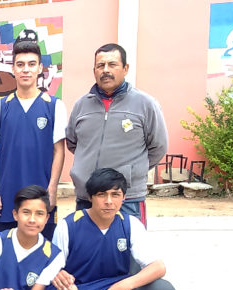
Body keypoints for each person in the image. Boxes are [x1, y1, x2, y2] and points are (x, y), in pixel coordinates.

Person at [66, 43, 168, 227]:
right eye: (100, 65)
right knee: (86, 252)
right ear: (94, 70)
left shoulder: (145, 104)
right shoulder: (81, 105)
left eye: (112, 64)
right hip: (86, 198)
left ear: (125, 68)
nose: (105, 70)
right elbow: (73, 143)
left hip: (126, 200)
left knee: (127, 252)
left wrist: (132, 171)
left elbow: (158, 147)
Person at [0, 41, 66, 240]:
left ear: (40, 68)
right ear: (13, 69)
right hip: (6, 197)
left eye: (31, 64)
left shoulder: (54, 106)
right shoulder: (0, 106)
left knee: (42, 258)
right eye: (20, 65)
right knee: (6, 257)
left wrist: (53, 189)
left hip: (41, 197)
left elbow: (59, 151)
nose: (26, 70)